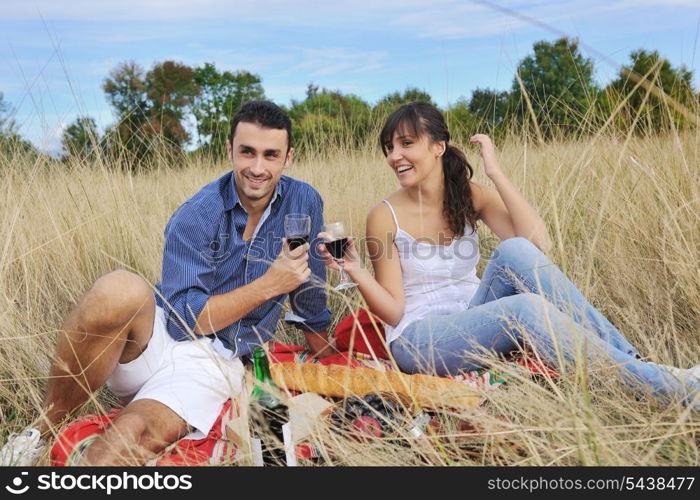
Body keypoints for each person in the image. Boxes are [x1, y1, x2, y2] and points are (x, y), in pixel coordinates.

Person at [1, 100, 333, 466]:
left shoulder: (304, 201)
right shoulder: (198, 212)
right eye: (247, 152)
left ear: (288, 158)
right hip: (157, 335)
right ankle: (41, 431)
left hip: (213, 359)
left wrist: (326, 354)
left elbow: (309, 284)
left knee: (126, 438)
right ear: (229, 150)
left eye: (270, 155)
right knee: (119, 287)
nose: (257, 167)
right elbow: (183, 319)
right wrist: (269, 285)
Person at [318, 101, 699, 410]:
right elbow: (395, 312)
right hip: (422, 340)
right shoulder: (384, 215)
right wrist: (355, 270)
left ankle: (634, 363)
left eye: (406, 144)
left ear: (438, 147)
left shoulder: (469, 193)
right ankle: (672, 389)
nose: (394, 156)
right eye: (390, 147)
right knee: (525, 310)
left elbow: (538, 244)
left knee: (514, 249)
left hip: (472, 315)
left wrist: (496, 173)